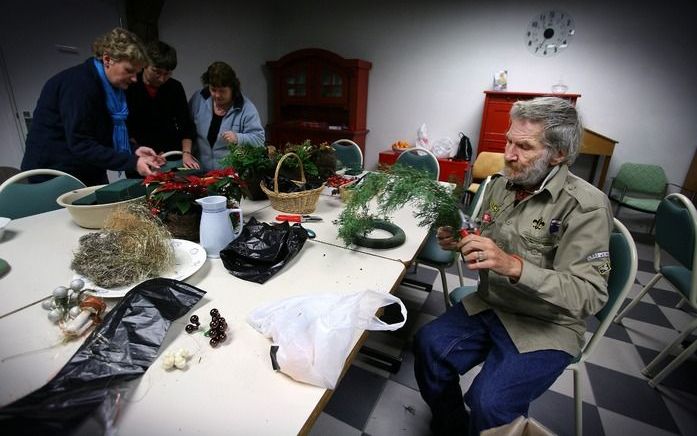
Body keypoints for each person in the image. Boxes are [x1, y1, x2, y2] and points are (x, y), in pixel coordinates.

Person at [413, 97, 613, 435]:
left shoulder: (586, 207)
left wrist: (514, 266)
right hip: (493, 303)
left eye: (524, 146)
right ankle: (452, 425)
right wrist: (462, 240)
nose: (508, 154)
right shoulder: (502, 186)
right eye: (508, 140)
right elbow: (485, 237)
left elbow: (590, 294)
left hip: (547, 323)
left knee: (490, 402)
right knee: (428, 345)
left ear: (559, 153)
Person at [21, 27, 164, 186]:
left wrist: (133, 150)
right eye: (129, 71)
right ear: (107, 59)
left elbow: (104, 134)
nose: (134, 79)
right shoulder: (79, 85)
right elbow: (80, 143)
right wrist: (132, 162)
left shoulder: (111, 90)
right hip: (53, 175)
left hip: (84, 169)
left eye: (137, 72)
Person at [125, 40, 195, 169]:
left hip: (170, 156)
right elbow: (125, 128)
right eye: (157, 72)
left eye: (167, 74)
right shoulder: (129, 86)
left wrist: (187, 153)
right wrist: (141, 153)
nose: (162, 79)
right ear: (145, 64)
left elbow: (186, 125)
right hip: (139, 156)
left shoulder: (175, 87)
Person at [189, 61, 265, 171]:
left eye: (222, 91)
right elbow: (187, 128)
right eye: (213, 90)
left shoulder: (246, 108)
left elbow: (259, 140)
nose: (217, 95)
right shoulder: (199, 98)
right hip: (199, 172)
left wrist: (238, 138)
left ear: (233, 89)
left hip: (229, 175)